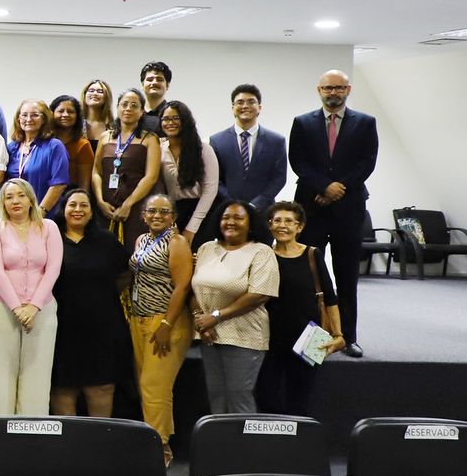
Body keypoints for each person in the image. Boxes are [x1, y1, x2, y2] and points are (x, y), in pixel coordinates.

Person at [288, 69, 378, 358]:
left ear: (348, 90)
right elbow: (297, 160)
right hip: (311, 208)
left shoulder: (365, 123)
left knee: (346, 275)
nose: (333, 93)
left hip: (348, 210)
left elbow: (367, 162)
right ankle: (309, 338)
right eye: (328, 88)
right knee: (309, 276)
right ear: (319, 90)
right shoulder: (302, 123)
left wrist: (339, 188)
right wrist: (323, 187)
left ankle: (348, 337)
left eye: (339, 88)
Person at [0, 179, 63, 416]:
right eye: (9, 197)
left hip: (42, 310)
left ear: (31, 200)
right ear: (2, 202)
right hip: (1, 308)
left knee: (37, 378)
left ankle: (31, 434)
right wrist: (17, 307)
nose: (15, 201)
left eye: (20, 195)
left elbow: (53, 269)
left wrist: (34, 306)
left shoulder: (48, 227)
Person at [49, 188, 132, 417]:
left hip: (102, 328)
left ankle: (100, 438)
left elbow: (125, 274)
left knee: (101, 387)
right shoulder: (50, 240)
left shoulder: (106, 240)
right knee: (62, 388)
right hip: (61, 327)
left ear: (92, 211)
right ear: (63, 209)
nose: (78, 210)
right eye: (72, 205)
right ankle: (69, 440)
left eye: (83, 205)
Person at [191, 200, 279, 414]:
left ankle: (246, 437)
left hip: (244, 335)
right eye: (226, 217)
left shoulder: (261, 252)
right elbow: (193, 288)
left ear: (251, 224)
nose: (231, 222)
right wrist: (201, 319)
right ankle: (220, 436)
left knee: (239, 396)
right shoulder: (206, 248)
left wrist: (215, 317)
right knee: (216, 395)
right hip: (209, 334)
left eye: (238, 218)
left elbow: (259, 295)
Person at [259, 201, 345, 416]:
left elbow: (330, 298)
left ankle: (297, 436)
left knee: (300, 398)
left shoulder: (312, 254)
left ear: (300, 227)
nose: (282, 225)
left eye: (289, 221)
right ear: (270, 225)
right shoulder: (263, 255)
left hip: (309, 337)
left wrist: (338, 334)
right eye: (277, 221)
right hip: (270, 338)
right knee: (266, 395)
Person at [125, 194, 193, 465]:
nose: (157, 215)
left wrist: (166, 324)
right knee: (146, 387)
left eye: (164, 211)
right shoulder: (142, 240)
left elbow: (182, 286)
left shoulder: (177, 243)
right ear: (143, 215)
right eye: (152, 211)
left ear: (173, 217)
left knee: (154, 387)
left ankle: (160, 448)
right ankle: (152, 442)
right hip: (139, 318)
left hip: (165, 322)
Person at [92, 88, 163, 248]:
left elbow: (151, 177)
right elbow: (96, 171)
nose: (128, 108)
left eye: (134, 105)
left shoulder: (150, 139)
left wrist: (128, 204)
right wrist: (100, 201)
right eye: (124, 104)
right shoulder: (105, 137)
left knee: (133, 251)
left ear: (142, 111)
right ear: (117, 108)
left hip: (135, 208)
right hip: (106, 209)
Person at [209, 84, 287, 215]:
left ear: (259, 107)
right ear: (233, 108)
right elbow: (215, 179)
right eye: (240, 102)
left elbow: (279, 178)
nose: (245, 106)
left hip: (263, 211)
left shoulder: (276, 141)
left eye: (251, 102)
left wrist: (256, 204)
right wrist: (233, 204)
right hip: (228, 211)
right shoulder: (217, 141)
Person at [157, 101, 221, 246]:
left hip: (201, 212)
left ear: (185, 121)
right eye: (166, 119)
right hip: (173, 212)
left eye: (176, 118)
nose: (170, 123)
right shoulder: (160, 149)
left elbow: (210, 190)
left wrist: (191, 228)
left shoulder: (203, 149)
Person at [7, 99, 70, 216]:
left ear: (44, 119)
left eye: (35, 115)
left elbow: (59, 185)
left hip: (43, 215)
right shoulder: (12, 148)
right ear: (18, 119)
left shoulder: (54, 146)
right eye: (24, 115)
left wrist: (40, 212)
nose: (28, 119)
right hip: (15, 216)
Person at [50, 95, 95, 192]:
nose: (65, 114)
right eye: (61, 111)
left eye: (70, 112)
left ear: (77, 116)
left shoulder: (82, 145)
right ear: (52, 114)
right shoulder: (44, 142)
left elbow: (84, 185)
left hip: (70, 196)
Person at [139, 61, 173, 134]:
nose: (154, 82)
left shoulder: (174, 115)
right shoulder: (133, 114)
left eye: (159, 79)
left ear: (167, 85)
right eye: (150, 79)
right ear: (142, 85)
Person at [80, 79, 114, 143]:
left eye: (100, 91)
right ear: (84, 95)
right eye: (91, 90)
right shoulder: (76, 124)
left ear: (106, 97)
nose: (95, 93)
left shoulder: (113, 126)